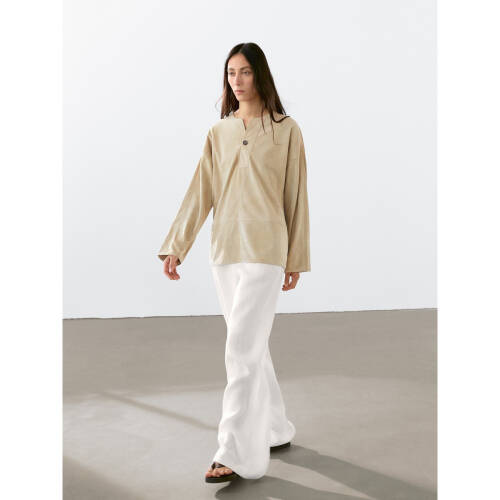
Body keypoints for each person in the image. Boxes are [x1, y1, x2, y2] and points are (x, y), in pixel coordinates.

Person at [157, 42, 311, 482]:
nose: (237, 81)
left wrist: (295, 258)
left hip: (266, 251)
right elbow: (201, 191)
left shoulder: (286, 130)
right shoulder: (219, 132)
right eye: (230, 73)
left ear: (260, 75)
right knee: (252, 346)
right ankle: (276, 428)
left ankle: (235, 453)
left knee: (240, 349)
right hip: (225, 252)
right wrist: (177, 245)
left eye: (245, 72)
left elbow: (296, 196)